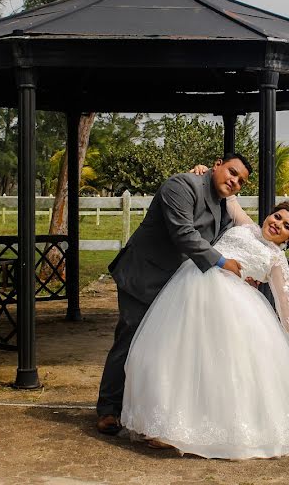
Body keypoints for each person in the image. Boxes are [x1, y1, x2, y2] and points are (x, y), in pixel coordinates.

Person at [121, 196, 289, 459]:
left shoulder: (276, 258)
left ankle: (198, 430)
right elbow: (229, 199)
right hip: (191, 288)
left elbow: (286, 301)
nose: (278, 224)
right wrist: (204, 170)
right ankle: (167, 426)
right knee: (176, 357)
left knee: (216, 369)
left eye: (286, 226)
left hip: (233, 307)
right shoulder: (247, 227)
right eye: (277, 217)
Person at [95, 154, 252, 436]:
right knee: (130, 340)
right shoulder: (181, 186)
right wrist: (221, 262)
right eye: (232, 172)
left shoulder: (224, 205)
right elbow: (183, 233)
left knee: (164, 349)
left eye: (240, 181)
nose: (234, 181)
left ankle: (147, 412)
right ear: (217, 164)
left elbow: (237, 233)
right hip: (143, 277)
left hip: (177, 286)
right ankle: (109, 408)